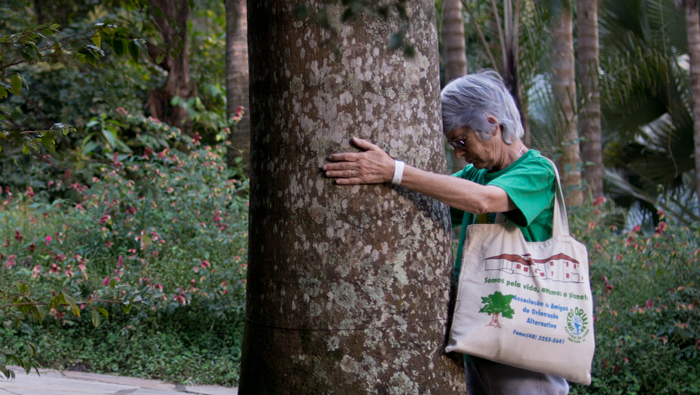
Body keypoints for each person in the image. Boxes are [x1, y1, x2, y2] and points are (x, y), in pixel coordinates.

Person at [322, 70, 568, 395]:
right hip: (481, 330)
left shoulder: (537, 171)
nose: (457, 152)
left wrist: (394, 171)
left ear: (492, 124)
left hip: (524, 335)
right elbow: (438, 198)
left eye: (460, 140)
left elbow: (484, 201)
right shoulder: (476, 175)